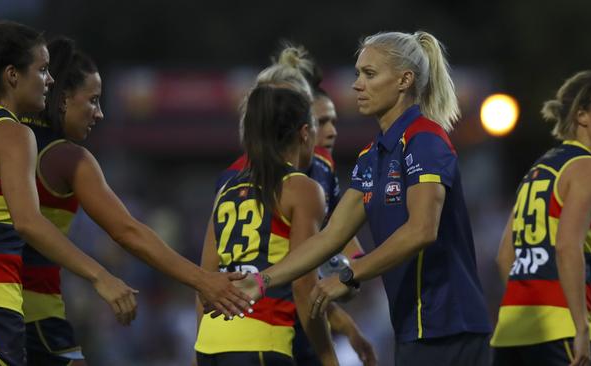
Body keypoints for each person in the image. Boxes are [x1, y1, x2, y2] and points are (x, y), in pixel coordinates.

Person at [232, 31, 492, 365]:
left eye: (369, 74)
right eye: (358, 73)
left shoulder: (425, 139)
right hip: (415, 329)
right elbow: (329, 236)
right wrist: (262, 280)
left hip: (452, 327)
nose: (357, 84)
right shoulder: (373, 157)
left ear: (404, 80)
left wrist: (349, 275)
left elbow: (422, 229)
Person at [16, 37, 254, 365]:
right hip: (32, 309)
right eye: (93, 101)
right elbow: (127, 231)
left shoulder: (2, 136)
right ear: (64, 96)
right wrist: (203, 280)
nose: (99, 114)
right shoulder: (67, 158)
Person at [0, 11, 136, 366]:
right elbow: (28, 222)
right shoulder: (12, 134)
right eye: (42, 70)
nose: (50, 80)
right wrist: (100, 276)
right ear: (12, 75)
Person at [214, 45, 376, 365]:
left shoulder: (321, 166)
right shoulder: (240, 177)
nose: (330, 132)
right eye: (322, 121)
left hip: (291, 322)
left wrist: (348, 292)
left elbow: (336, 240)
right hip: (269, 327)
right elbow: (299, 282)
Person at [195, 85, 338, 365]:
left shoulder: (227, 190)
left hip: (210, 345)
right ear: (305, 134)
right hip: (262, 341)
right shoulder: (303, 189)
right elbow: (304, 286)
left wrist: (199, 349)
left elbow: (204, 279)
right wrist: (329, 357)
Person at [491, 70, 591, 366]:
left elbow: (504, 256)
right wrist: (580, 326)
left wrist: (524, 305)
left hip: (510, 331)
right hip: (558, 325)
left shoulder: (538, 169)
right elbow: (566, 246)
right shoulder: (588, 168)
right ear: (582, 115)